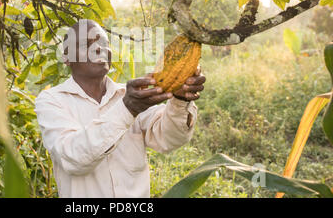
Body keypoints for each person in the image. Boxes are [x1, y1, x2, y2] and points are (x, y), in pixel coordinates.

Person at [35, 19, 206, 197]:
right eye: (86, 44)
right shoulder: (52, 101)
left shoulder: (129, 94)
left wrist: (179, 99)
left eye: (103, 43)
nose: (99, 49)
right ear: (66, 57)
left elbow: (169, 139)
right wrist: (127, 110)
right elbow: (74, 158)